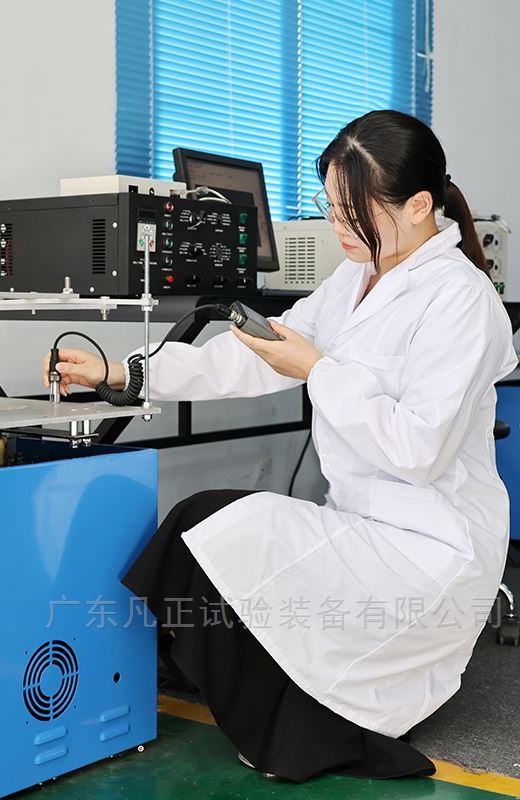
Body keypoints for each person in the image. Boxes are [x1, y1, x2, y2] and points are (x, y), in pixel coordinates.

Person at [41, 110, 518, 782]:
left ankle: (306, 723)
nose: (339, 228)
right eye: (331, 208)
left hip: (432, 544)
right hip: (362, 520)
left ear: (418, 206)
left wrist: (318, 371)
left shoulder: (461, 300)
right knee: (199, 529)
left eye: (355, 213)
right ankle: (231, 690)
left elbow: (418, 450)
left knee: (213, 529)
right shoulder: (355, 277)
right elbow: (259, 353)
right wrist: (125, 372)